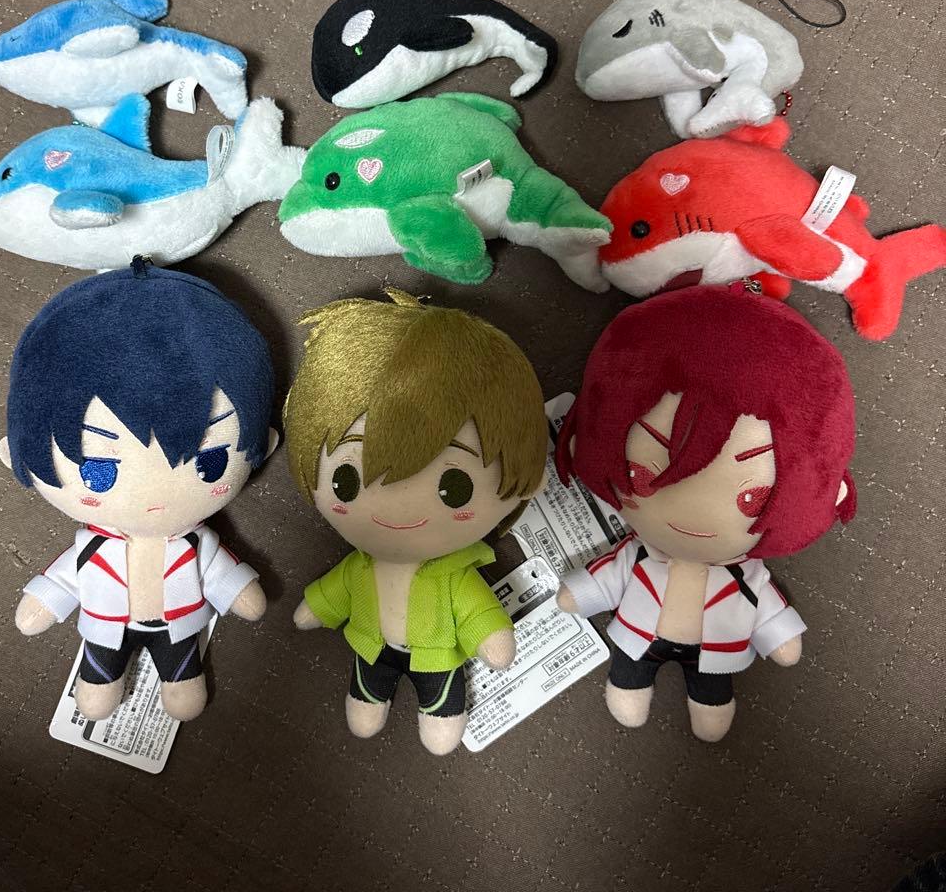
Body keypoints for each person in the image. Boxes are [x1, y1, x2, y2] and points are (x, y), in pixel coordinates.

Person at [555, 283, 857, 742]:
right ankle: (630, 686)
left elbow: (766, 606)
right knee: (630, 670)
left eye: (750, 499)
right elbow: (606, 576)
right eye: (642, 473)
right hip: (639, 636)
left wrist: (779, 636)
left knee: (711, 688)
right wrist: (579, 595)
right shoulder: (641, 556)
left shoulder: (745, 576)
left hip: (717, 647)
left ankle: (707, 705)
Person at [1, 258, 277, 721]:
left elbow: (222, 575)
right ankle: (100, 682)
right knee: (98, 685)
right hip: (104, 629)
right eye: (99, 472)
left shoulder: (196, 544)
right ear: (18, 455)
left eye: (209, 463)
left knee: (183, 678)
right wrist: (42, 603)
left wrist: (239, 592)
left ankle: (180, 680)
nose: (156, 500)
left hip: (180, 627)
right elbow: (63, 580)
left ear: (262, 447)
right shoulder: (93, 550)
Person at [285, 289, 547, 754]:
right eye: (345, 481)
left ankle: (439, 712)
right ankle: (370, 699)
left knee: (441, 702)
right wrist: (315, 609)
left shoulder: (454, 577)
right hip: (370, 646)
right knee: (367, 690)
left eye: (454, 488)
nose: (396, 507)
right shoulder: (361, 566)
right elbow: (336, 590)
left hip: (436, 656)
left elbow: (477, 610)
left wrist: (492, 636)